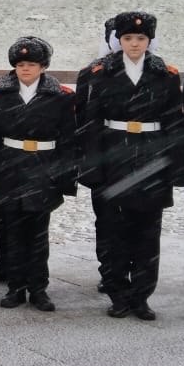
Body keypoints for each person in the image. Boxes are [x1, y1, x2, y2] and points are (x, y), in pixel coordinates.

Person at [79, 11, 184, 321]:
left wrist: (174, 167)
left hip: (151, 161)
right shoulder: (100, 73)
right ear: (118, 40)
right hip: (113, 156)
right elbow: (90, 123)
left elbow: (174, 123)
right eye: (128, 38)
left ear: (150, 41)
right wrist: (92, 168)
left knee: (147, 233)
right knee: (113, 231)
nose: (134, 44)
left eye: (140, 38)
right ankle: (117, 293)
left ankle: (141, 295)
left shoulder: (165, 74)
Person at [0, 36, 77, 312]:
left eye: (32, 64)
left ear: (43, 66)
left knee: (37, 234)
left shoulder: (61, 96)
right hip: (9, 167)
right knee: (12, 232)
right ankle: (15, 287)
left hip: (43, 168)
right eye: (21, 64)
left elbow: (68, 141)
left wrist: (64, 179)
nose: (25, 69)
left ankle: (38, 289)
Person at [74, 17, 119, 294]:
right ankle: (110, 269)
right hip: (103, 157)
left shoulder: (159, 71)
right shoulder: (91, 73)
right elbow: (82, 120)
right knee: (107, 220)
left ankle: (134, 271)